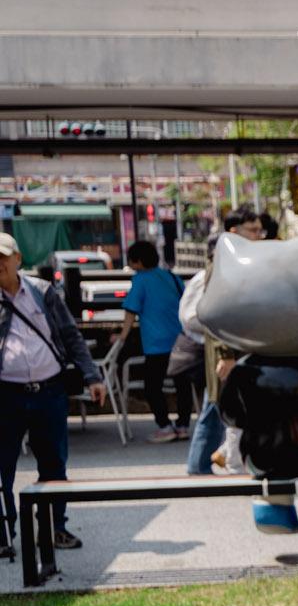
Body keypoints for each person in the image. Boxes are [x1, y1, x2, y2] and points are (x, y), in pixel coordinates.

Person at [0, 231, 106, 554]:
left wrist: (92, 376)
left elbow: (71, 336)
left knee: (54, 463)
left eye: (4, 257)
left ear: (18, 258)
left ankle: (54, 528)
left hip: (49, 390)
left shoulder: (42, 292)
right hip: (7, 394)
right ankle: (4, 535)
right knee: (2, 467)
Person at [185, 207, 266, 475]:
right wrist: (225, 353)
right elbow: (216, 312)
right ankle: (202, 467)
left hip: (237, 347)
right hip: (227, 349)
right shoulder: (223, 262)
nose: (258, 236)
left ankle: (218, 460)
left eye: (259, 230)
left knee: (224, 406)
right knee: (219, 407)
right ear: (235, 232)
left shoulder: (239, 260)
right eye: (252, 230)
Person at [121, 240, 193, 443]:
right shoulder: (171, 276)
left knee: (152, 386)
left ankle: (164, 425)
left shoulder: (140, 280)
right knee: (182, 385)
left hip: (156, 343)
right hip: (180, 339)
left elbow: (131, 309)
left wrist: (123, 335)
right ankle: (183, 425)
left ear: (138, 262)